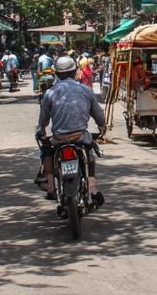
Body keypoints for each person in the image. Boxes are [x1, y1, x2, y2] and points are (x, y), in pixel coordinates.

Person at [37, 56, 106, 207]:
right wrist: (102, 127)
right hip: (80, 137)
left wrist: (41, 133)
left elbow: (42, 122)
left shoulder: (49, 93)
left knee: (46, 150)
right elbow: (99, 116)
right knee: (90, 151)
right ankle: (93, 188)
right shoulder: (86, 90)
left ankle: (51, 186)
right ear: (75, 72)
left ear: (56, 73)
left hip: (59, 138)